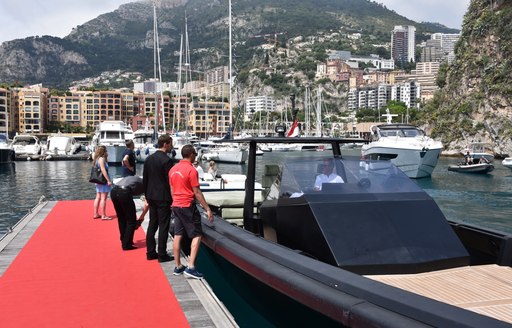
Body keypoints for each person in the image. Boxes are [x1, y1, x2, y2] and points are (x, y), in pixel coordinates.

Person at [169, 144, 213, 279]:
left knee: (178, 234)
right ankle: (191, 267)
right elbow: (197, 192)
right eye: (195, 153)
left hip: (176, 205)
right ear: (192, 154)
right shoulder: (191, 170)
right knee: (197, 234)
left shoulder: (173, 169)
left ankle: (178, 266)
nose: (195, 156)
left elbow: (171, 189)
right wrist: (207, 208)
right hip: (187, 205)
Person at [142, 134, 175, 262]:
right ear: (166, 144)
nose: (172, 147)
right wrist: (174, 198)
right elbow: (170, 182)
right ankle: (162, 253)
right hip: (163, 197)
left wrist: (146, 195)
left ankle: (150, 252)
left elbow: (145, 179)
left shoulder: (149, 159)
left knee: (152, 224)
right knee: (163, 226)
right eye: (171, 144)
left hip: (151, 195)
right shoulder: (167, 161)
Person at [111, 175, 144, 250]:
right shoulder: (147, 184)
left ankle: (124, 239)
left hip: (114, 191)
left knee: (121, 218)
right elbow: (147, 203)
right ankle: (126, 244)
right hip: (124, 192)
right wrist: (142, 216)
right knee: (131, 220)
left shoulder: (137, 179)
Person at [92, 145, 113, 220]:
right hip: (103, 181)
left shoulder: (97, 159)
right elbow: (103, 170)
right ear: (103, 151)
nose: (107, 152)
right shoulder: (102, 159)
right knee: (103, 198)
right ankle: (103, 215)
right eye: (106, 150)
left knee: (98, 197)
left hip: (98, 181)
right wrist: (108, 180)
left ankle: (95, 213)